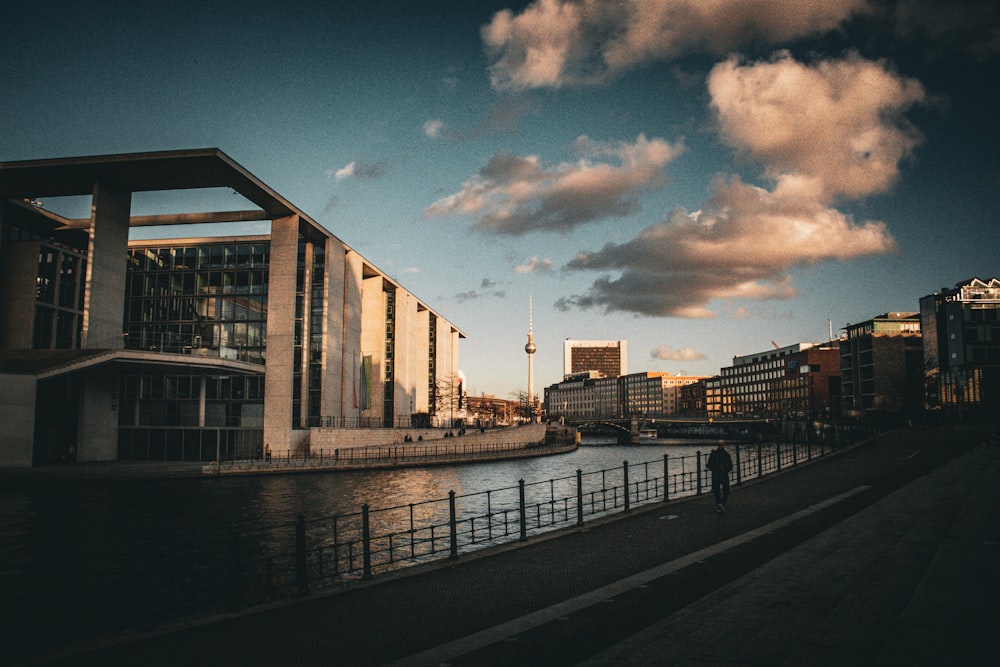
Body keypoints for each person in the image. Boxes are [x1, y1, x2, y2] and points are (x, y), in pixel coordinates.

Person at [706, 440, 733, 513]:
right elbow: (730, 466)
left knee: (717, 490)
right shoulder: (726, 454)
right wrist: (725, 469)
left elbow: (709, 465)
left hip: (716, 474)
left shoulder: (713, 454)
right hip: (723, 474)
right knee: (726, 490)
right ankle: (722, 503)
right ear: (723, 445)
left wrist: (714, 469)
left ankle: (719, 504)